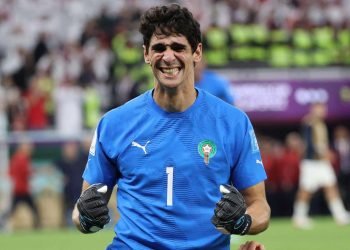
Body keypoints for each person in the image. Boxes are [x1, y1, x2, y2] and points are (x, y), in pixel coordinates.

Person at [72, 4, 270, 250]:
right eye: (159, 48)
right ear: (146, 54)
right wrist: (87, 218)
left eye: (178, 47)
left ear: (196, 52)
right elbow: (82, 211)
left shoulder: (233, 123)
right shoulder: (114, 123)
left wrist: (242, 223)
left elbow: (260, 206)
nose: (168, 56)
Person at [292, 103, 350, 229]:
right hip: (311, 162)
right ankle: (298, 217)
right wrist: (325, 153)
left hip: (322, 163)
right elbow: (313, 144)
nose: (323, 112)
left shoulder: (319, 124)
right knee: (305, 190)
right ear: (314, 110)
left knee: (331, 187)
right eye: (320, 109)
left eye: (324, 109)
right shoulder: (310, 123)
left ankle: (340, 216)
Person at [8, 140, 41, 229]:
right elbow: (27, 173)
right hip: (22, 189)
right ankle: (37, 225)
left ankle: (5, 224)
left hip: (18, 188)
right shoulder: (22, 158)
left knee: (13, 209)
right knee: (33, 208)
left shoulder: (15, 158)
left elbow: (10, 172)